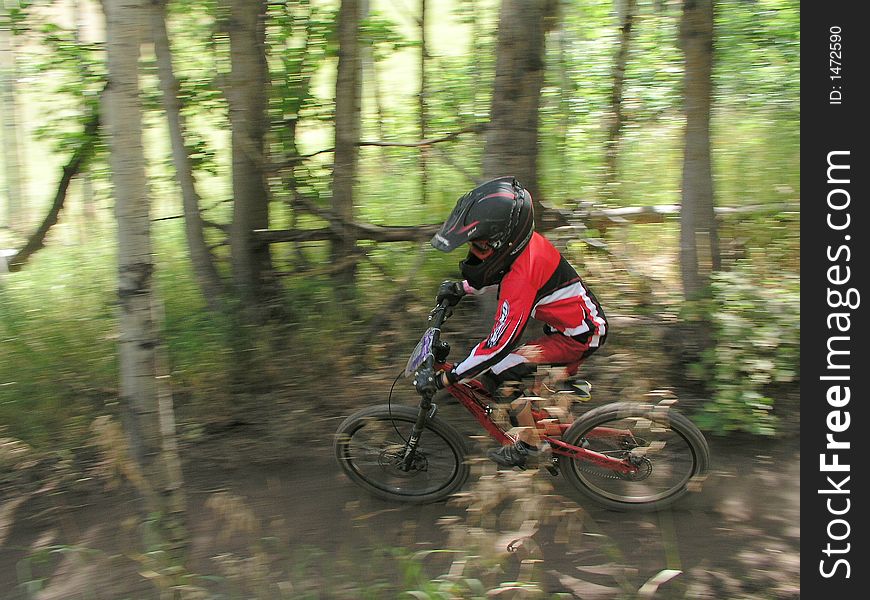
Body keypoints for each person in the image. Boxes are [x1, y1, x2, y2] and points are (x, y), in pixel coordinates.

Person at [413, 176, 608, 469]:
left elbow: (497, 345)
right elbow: (498, 272)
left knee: (500, 372)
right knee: (521, 382)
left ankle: (531, 446)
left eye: (479, 245)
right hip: (571, 327)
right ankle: (560, 424)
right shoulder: (522, 249)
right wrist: (463, 288)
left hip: (578, 336)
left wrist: (447, 378)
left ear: (504, 242)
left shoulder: (522, 277)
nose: (474, 253)